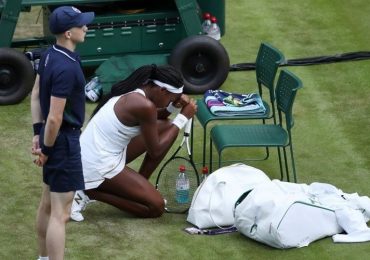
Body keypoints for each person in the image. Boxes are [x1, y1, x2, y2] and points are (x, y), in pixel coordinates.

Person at [70, 64, 197, 221]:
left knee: (164, 125)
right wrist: (182, 118)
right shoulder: (145, 106)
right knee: (155, 207)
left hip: (92, 155)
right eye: (172, 98)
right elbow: (155, 151)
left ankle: (138, 187)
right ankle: (90, 191)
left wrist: (172, 106)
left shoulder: (137, 91)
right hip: (95, 164)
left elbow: (156, 117)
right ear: (162, 90)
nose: (172, 100)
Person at [30, 6, 94, 260]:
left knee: (47, 202)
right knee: (61, 212)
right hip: (62, 141)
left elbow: (35, 95)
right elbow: (56, 117)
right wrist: (46, 149)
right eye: (82, 25)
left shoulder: (48, 55)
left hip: (50, 137)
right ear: (69, 33)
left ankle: (43, 258)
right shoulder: (66, 68)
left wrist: (38, 133)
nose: (86, 28)